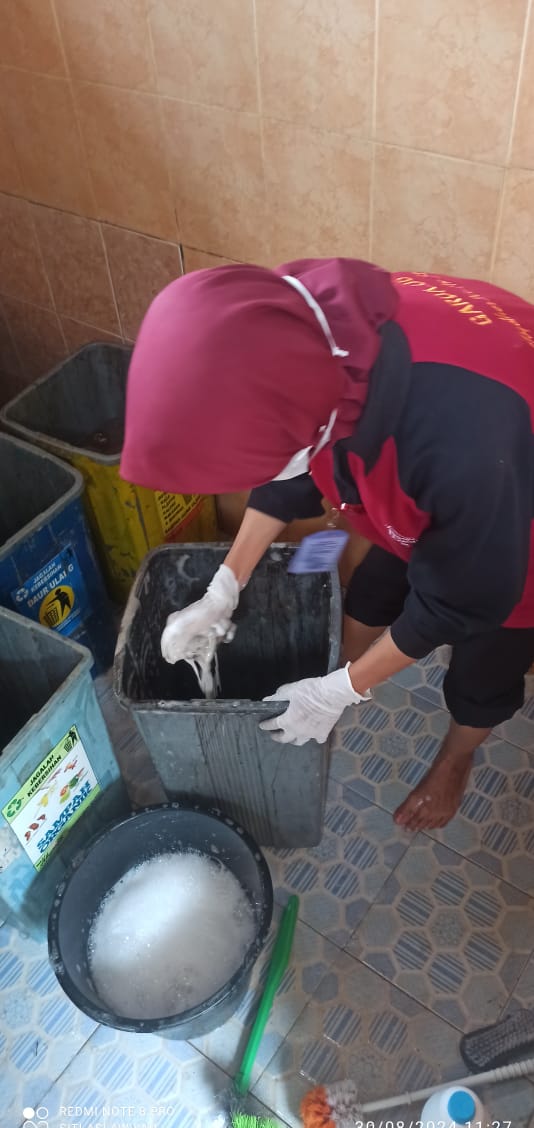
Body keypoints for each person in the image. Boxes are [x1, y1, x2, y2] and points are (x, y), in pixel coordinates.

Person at [120, 259, 534, 833]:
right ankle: (337, 670)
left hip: (517, 505)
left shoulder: (463, 447)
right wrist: (224, 587)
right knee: (375, 589)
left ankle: (455, 760)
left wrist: (340, 692)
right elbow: (287, 465)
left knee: (485, 667)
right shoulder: (295, 329)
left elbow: (460, 600)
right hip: (451, 459)